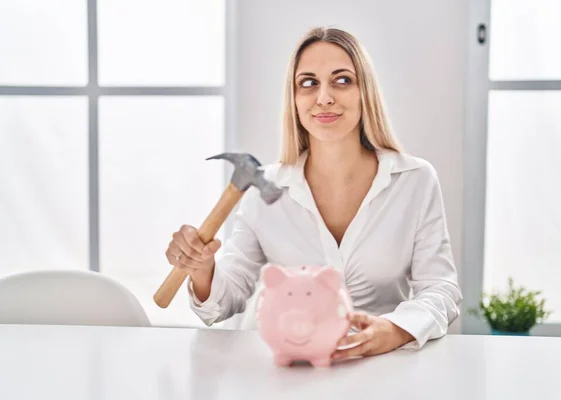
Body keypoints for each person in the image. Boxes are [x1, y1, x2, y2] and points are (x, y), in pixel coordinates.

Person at [165, 27, 462, 360]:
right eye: (308, 83)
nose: (324, 97)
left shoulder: (415, 180)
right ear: (293, 98)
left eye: (342, 80)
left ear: (366, 92)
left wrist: (395, 331)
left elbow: (441, 288)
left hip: (382, 365)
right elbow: (225, 300)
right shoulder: (264, 188)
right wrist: (202, 269)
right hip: (290, 369)